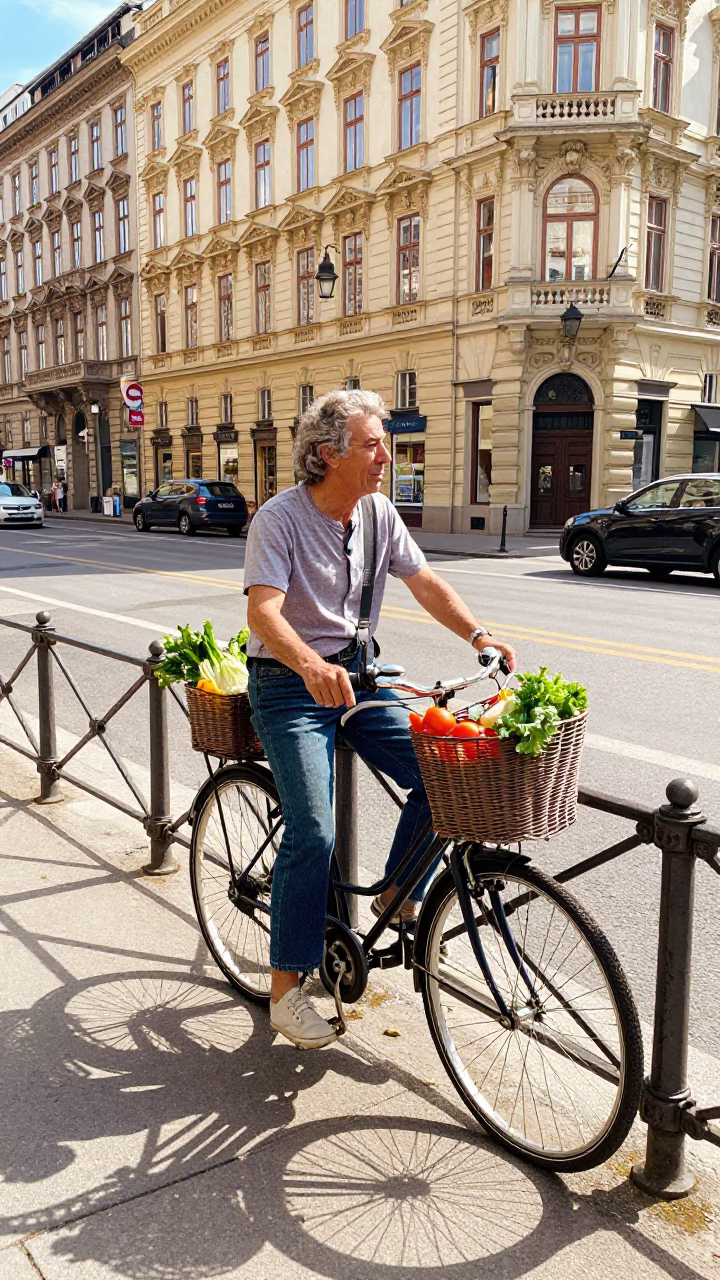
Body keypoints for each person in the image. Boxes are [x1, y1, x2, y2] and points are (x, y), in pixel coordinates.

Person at [245, 390, 516, 1050]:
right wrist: (309, 665)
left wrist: (477, 634)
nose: (386, 458)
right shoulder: (279, 520)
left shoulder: (378, 514)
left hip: (361, 677)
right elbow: (264, 613)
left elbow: (424, 582)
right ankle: (286, 991)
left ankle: (398, 893)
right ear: (328, 454)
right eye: (372, 446)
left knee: (443, 774)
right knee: (312, 829)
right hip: (288, 685)